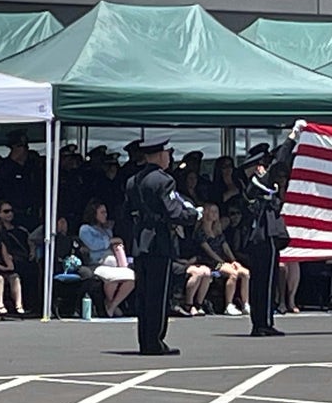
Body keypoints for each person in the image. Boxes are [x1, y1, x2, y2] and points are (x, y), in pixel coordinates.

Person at [125, 137, 200, 355]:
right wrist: (193, 215)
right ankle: (155, 341)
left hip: (140, 241)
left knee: (144, 294)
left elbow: (127, 212)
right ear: (159, 155)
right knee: (158, 294)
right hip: (159, 241)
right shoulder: (163, 180)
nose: (170, 157)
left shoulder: (132, 181)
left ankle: (145, 340)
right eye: (168, 153)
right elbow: (174, 211)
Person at [241, 121, 307, 336]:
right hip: (264, 235)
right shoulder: (258, 182)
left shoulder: (256, 183)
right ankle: (263, 323)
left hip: (260, 236)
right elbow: (281, 160)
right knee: (265, 282)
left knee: (262, 282)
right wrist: (293, 136)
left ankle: (261, 322)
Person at [78, 201, 135, 318]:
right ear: (94, 214)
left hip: (113, 264)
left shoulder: (107, 230)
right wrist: (111, 241)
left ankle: (112, 305)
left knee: (131, 279)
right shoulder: (85, 229)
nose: (105, 215)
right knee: (111, 279)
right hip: (97, 264)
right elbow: (93, 245)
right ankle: (111, 304)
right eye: (102, 212)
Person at [196, 202, 250, 316]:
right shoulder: (200, 232)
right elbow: (209, 251)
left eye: (216, 211)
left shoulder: (218, 231)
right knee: (233, 274)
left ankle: (245, 303)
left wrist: (234, 261)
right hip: (210, 262)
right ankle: (228, 304)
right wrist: (223, 262)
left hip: (223, 262)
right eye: (212, 211)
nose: (215, 214)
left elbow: (226, 248)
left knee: (245, 273)